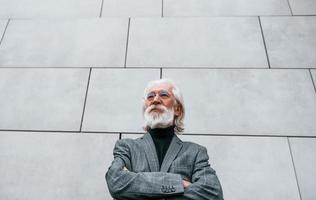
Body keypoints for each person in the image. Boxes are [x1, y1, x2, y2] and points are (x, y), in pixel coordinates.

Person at [106, 79, 224, 200]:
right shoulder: (127, 147)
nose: (155, 100)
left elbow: (212, 194)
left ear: (177, 109)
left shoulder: (195, 152)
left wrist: (139, 187)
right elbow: (116, 182)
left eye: (163, 95)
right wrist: (179, 183)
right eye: (150, 96)